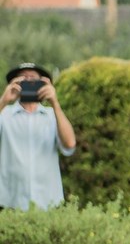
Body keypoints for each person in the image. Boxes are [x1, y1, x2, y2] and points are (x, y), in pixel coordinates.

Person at [0, 62, 76, 211]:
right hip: (9, 201)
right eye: (23, 78)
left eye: (33, 79)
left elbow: (70, 144)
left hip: (48, 201)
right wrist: (3, 101)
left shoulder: (52, 115)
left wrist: (55, 103)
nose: (28, 81)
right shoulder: (4, 114)